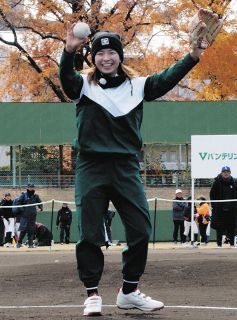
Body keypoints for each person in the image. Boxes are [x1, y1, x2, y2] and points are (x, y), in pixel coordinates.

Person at [59, 11, 216, 316]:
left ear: (120, 56)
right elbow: (66, 78)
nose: (106, 58)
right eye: (100, 53)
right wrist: (68, 51)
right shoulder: (83, 87)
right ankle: (92, 293)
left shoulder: (138, 86)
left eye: (112, 52)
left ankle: (129, 291)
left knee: (141, 230)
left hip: (126, 166)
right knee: (90, 232)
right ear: (94, 58)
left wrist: (194, 54)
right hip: (91, 166)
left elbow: (168, 77)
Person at [210, 166, 237, 248]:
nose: (226, 173)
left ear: (230, 173)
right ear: (221, 173)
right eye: (224, 172)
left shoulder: (235, 182)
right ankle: (219, 245)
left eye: (227, 172)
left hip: (232, 210)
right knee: (219, 227)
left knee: (231, 227)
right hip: (219, 210)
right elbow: (212, 195)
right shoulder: (216, 182)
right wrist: (215, 206)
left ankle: (232, 244)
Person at [16, 184, 43, 248]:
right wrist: (23, 210)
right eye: (30, 187)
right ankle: (19, 243)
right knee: (23, 230)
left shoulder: (36, 196)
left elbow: (40, 203)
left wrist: (40, 208)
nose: (31, 188)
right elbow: (18, 203)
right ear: (27, 188)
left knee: (31, 230)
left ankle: (30, 244)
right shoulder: (23, 195)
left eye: (32, 187)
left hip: (33, 216)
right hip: (25, 216)